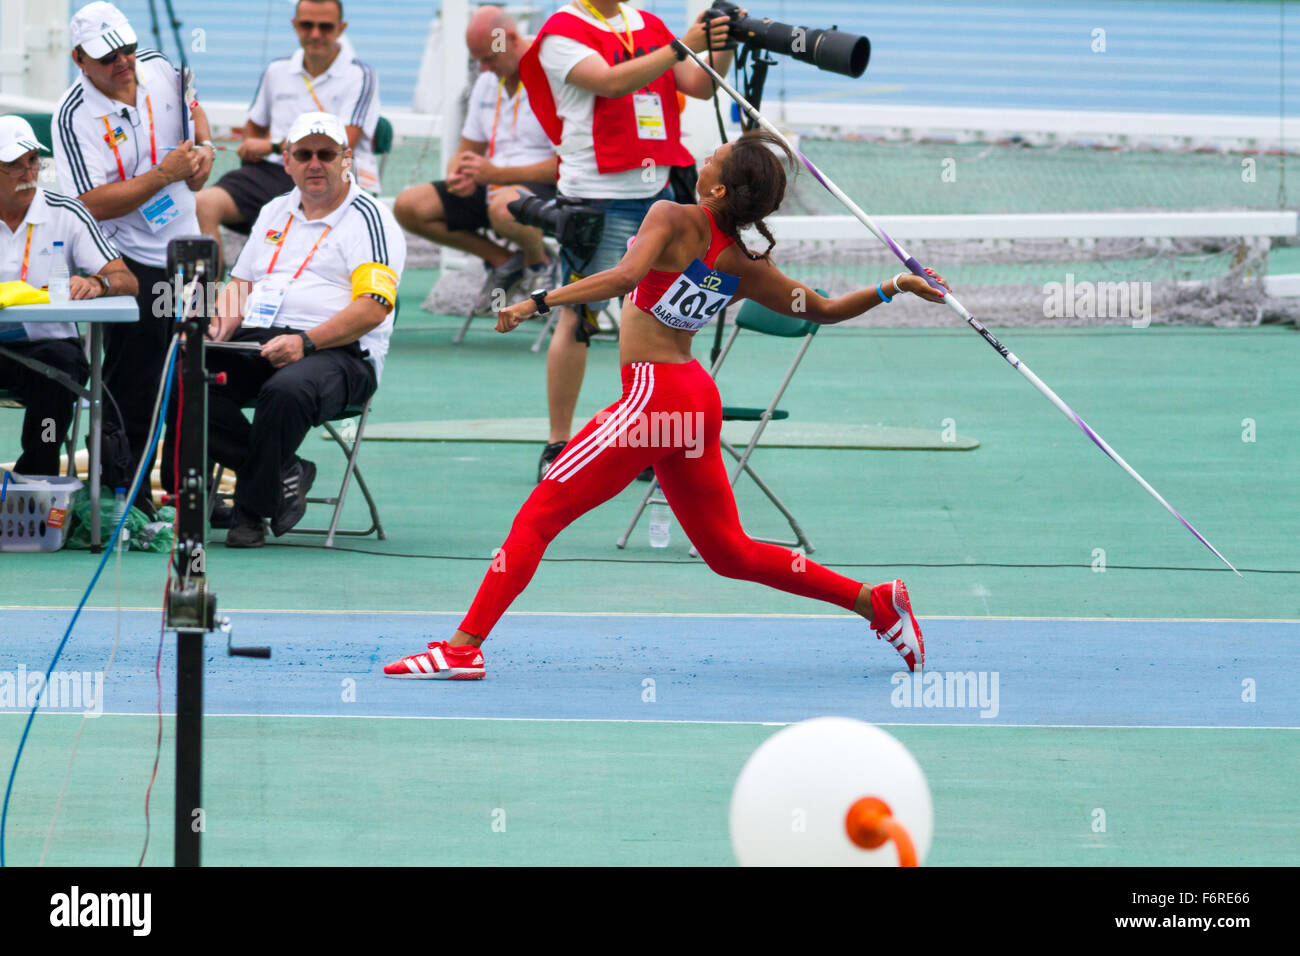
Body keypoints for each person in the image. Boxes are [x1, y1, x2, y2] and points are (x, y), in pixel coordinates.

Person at [383, 129, 949, 681]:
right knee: (730, 552)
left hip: (654, 398)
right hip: (694, 401)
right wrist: (894, 285)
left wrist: (539, 300)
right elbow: (821, 308)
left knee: (540, 514)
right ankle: (875, 603)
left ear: (721, 189)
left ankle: (463, 649)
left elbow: (625, 276)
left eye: (714, 157)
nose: (703, 159)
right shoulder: (745, 263)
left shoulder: (671, 218)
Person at [519, 0, 738, 482]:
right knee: (577, 318)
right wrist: (685, 44)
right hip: (597, 197)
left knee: (669, 315)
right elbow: (611, 82)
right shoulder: (561, 30)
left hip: (659, 194)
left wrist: (719, 42)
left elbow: (700, 87)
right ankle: (558, 443)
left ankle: (650, 433)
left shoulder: (649, 23)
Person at [194, 112, 405, 548]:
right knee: (180, 373)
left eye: (326, 154)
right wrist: (220, 324)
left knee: (286, 391)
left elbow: (373, 307)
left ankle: (250, 513)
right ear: (286, 161)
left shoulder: (370, 218)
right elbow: (242, 283)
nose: (315, 163)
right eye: (304, 154)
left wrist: (306, 342)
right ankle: (283, 471)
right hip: (260, 336)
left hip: (341, 352)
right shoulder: (275, 210)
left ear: (346, 159)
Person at [52, 1, 212, 512]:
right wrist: (164, 176)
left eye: (125, 48)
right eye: (107, 56)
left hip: (190, 251)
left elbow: (195, 113)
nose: (122, 61)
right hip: (130, 263)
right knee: (134, 384)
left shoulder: (162, 66)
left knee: (197, 376)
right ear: (79, 58)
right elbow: (89, 204)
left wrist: (203, 151)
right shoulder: (72, 115)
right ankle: (130, 495)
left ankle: (193, 495)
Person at [393, 6, 559, 314]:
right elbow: (467, 150)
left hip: (542, 188)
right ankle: (504, 261)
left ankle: (540, 261)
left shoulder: (553, 78)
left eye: (489, 58)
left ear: (512, 39)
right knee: (408, 205)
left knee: (504, 205)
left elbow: (566, 167)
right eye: (477, 60)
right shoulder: (487, 81)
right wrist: (459, 174)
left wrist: (498, 173)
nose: (483, 68)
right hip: (494, 184)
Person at [196, 0, 381, 270]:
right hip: (276, 172)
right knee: (203, 204)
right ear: (295, 26)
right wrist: (251, 149)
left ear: (341, 29)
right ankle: (208, 303)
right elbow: (254, 127)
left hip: (333, 173)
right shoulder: (276, 70)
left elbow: (341, 144)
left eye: (325, 27)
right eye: (307, 25)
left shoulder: (360, 76)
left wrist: (270, 145)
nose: (315, 34)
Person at [0, 116, 137, 475]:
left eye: (33, 161)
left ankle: (34, 486)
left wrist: (98, 284)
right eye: (13, 165)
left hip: (49, 351)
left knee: (59, 373)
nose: (28, 172)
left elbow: (126, 280)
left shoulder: (66, 212)